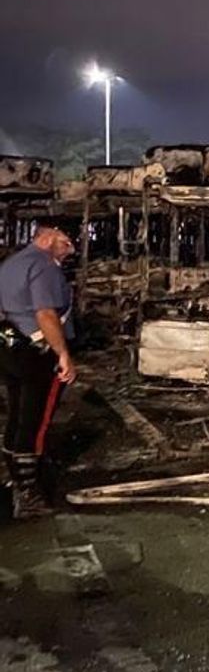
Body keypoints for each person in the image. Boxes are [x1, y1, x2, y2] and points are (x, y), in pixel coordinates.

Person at [0, 222, 78, 518]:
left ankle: (16, 481)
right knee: (36, 422)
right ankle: (29, 494)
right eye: (65, 239)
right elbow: (46, 313)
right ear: (48, 236)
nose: (70, 245)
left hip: (10, 347)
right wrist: (63, 354)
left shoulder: (12, 263)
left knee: (18, 415)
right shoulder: (44, 266)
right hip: (37, 352)